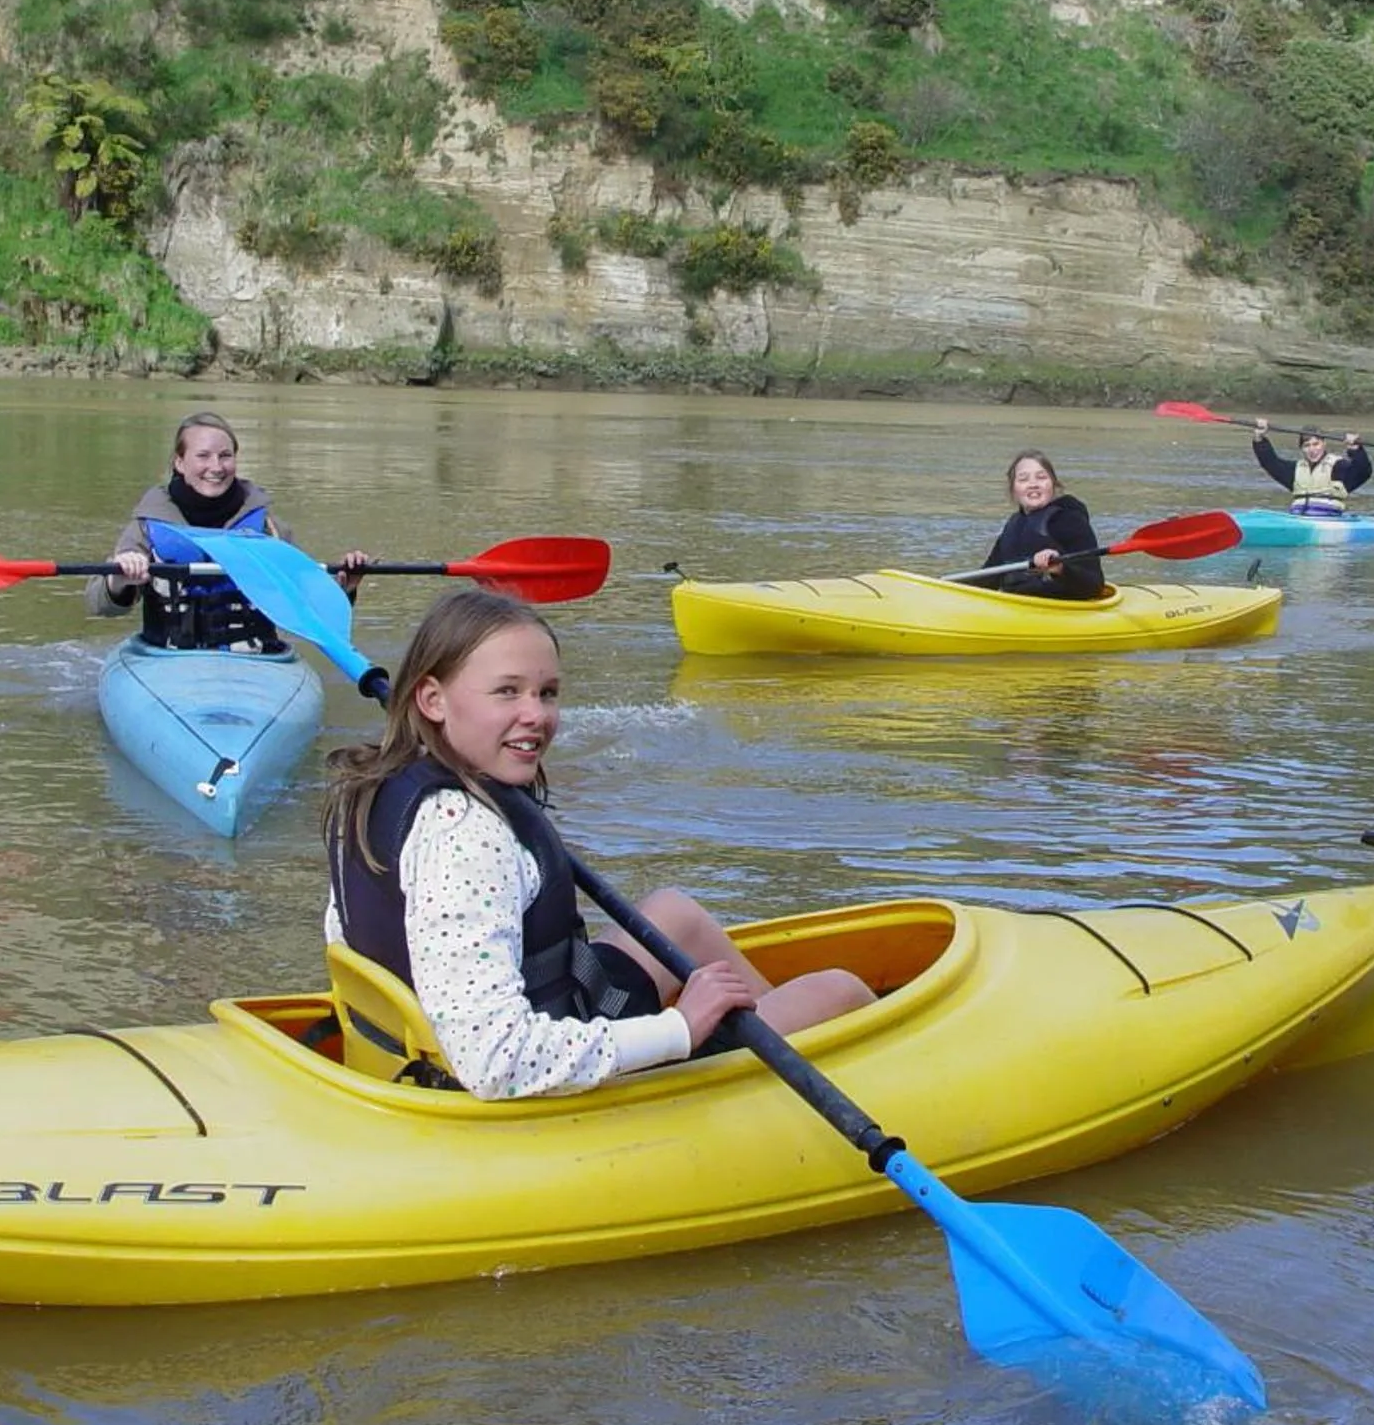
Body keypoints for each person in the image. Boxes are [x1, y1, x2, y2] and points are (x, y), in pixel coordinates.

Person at [322, 588, 875, 1101]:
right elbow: (494, 1059)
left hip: (454, 1038)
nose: (536, 715)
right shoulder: (465, 836)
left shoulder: (380, 787)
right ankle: (794, 1074)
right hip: (508, 1087)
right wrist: (679, 1029)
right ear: (432, 699)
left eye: (547, 692)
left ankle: (767, 1068)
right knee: (839, 991)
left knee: (674, 915)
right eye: (507, 691)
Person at [86, 411, 368, 650]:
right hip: (167, 659)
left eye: (225, 456)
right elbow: (99, 604)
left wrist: (344, 587)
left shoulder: (268, 527)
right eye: (203, 456)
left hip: (256, 660)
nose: (216, 467)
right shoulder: (148, 525)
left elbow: (306, 604)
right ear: (180, 462)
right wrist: (119, 579)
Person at [977, 450, 1106, 600]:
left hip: (1060, 605)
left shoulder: (1069, 520)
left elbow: (1094, 585)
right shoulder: (1013, 525)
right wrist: (953, 588)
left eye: (1041, 477)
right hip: (1016, 603)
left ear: (1053, 484)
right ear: (1013, 490)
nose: (1033, 485)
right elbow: (988, 578)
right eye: (1023, 479)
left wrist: (1061, 569)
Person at [1248, 419, 1372, 516]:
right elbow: (1270, 462)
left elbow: (1363, 471)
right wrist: (1259, 438)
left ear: (1324, 444)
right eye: (1307, 445)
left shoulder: (1339, 467)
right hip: (1298, 521)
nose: (1312, 450)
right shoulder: (1295, 470)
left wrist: (1356, 449)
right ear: (1302, 448)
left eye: (1316, 444)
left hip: (1330, 522)